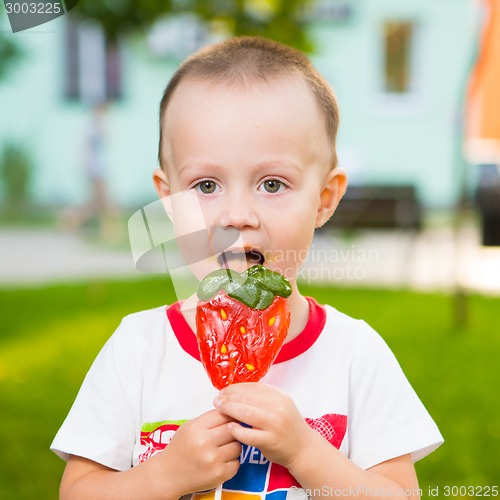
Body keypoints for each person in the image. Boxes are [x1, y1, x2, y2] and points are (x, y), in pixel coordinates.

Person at [51, 36, 443, 500]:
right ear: (169, 199)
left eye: (272, 183)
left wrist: (305, 454)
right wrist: (163, 476)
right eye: (207, 184)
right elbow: (78, 492)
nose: (237, 213)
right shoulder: (137, 351)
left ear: (324, 199)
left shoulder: (356, 356)